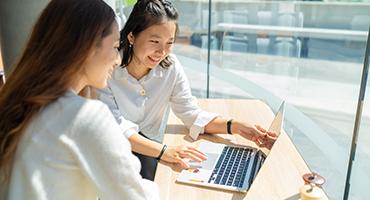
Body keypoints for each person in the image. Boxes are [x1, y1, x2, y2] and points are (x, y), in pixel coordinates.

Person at [98, 0, 276, 181]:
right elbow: (115, 130)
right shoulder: (106, 69)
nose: (162, 51)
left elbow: (191, 114)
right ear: (131, 36)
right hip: (112, 153)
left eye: (169, 42)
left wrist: (236, 126)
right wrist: (165, 152)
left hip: (149, 151)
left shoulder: (171, 67)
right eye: (154, 41)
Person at [0, 0, 158, 199]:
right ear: (89, 47)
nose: (118, 59)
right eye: (115, 46)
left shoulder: (17, 103)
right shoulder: (84, 116)